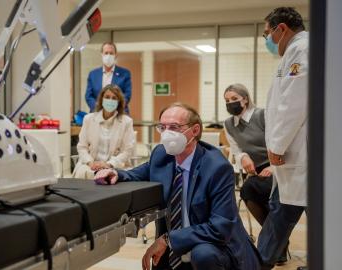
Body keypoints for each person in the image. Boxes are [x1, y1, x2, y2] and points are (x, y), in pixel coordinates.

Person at [94, 103, 260, 270]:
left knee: (203, 254)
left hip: (215, 245)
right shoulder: (162, 154)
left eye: (174, 127)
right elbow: (139, 172)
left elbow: (220, 227)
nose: (167, 134)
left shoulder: (217, 167)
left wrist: (168, 239)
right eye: (162, 127)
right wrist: (116, 173)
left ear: (194, 131)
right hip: (175, 247)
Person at [257, 7, 308, 270]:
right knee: (281, 212)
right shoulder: (291, 54)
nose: (267, 40)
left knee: (285, 212)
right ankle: (257, 262)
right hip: (293, 157)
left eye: (268, 33)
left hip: (299, 154)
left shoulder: (303, 49)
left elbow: (294, 105)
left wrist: (276, 146)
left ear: (282, 29)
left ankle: (257, 263)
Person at [223, 84, 288, 264]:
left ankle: (275, 243)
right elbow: (236, 149)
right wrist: (243, 157)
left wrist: (274, 167)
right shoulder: (228, 124)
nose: (230, 103)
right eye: (227, 101)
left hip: (278, 165)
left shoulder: (263, 115)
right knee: (248, 191)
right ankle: (279, 243)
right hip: (256, 168)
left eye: (234, 99)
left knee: (261, 190)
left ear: (245, 98)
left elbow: (279, 141)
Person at [72, 84, 135, 179]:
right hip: (90, 165)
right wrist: (90, 162)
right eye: (107, 97)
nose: (110, 100)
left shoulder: (126, 122)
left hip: (114, 166)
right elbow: (82, 147)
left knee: (111, 177)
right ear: (101, 99)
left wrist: (109, 164)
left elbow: (127, 151)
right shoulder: (88, 119)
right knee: (83, 174)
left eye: (114, 98)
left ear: (119, 102)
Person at [85, 42, 132, 113]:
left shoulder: (125, 74)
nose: (108, 55)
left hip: (119, 114)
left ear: (115, 55)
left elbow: (127, 95)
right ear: (102, 54)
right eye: (106, 53)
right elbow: (88, 96)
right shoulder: (93, 74)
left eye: (111, 53)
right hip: (97, 114)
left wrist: (114, 108)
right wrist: (99, 108)